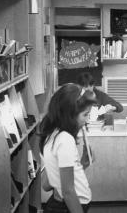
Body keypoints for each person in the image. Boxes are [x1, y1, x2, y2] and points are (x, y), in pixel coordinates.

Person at [39, 83, 98, 213]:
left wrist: (81, 164)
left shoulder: (53, 135)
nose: (87, 120)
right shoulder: (65, 139)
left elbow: (46, 184)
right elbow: (68, 191)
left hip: (60, 206)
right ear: (70, 115)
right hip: (67, 207)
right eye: (85, 115)